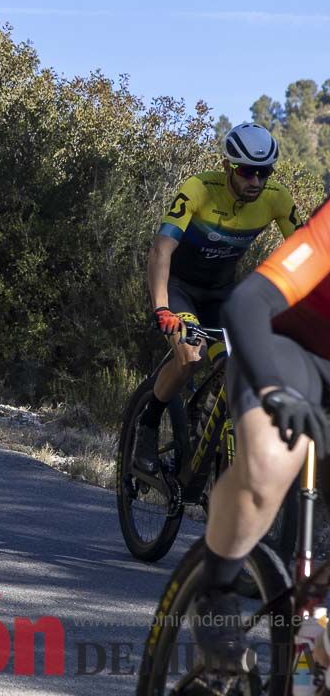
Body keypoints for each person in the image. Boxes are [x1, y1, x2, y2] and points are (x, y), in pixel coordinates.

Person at [190, 197, 330, 669]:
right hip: (289, 349)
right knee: (270, 461)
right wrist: (273, 390)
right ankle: (216, 592)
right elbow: (248, 302)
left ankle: (316, 657)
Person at [134, 122, 301, 475]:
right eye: (246, 171)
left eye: (264, 173)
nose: (255, 181)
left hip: (221, 295)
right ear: (227, 165)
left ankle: (206, 441)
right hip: (180, 289)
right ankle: (147, 426)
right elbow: (162, 249)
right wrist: (162, 308)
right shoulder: (199, 189)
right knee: (190, 357)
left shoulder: (276, 199)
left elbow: (309, 256)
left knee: (237, 366)